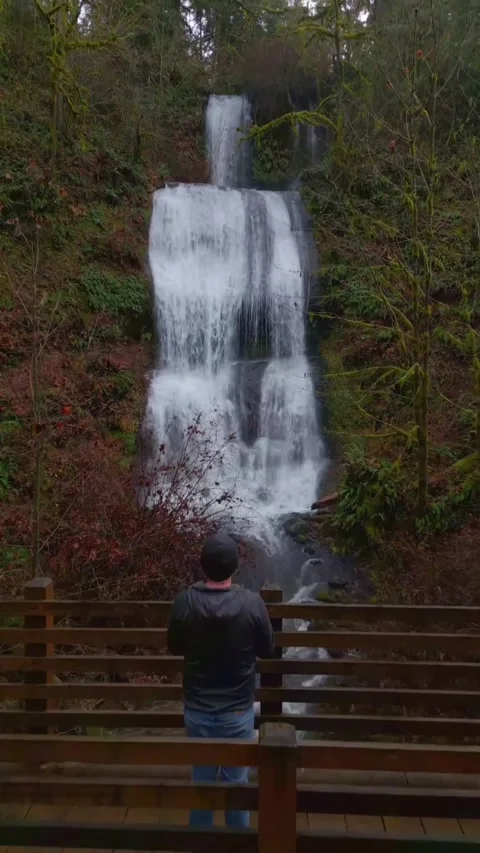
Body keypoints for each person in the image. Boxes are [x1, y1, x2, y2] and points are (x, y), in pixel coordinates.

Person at [167, 532, 275, 830]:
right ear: (235, 567)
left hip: (198, 708)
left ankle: (201, 843)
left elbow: (174, 646)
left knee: (201, 782)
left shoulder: (185, 602)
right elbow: (267, 649)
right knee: (236, 784)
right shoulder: (252, 604)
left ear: (203, 566)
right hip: (238, 710)